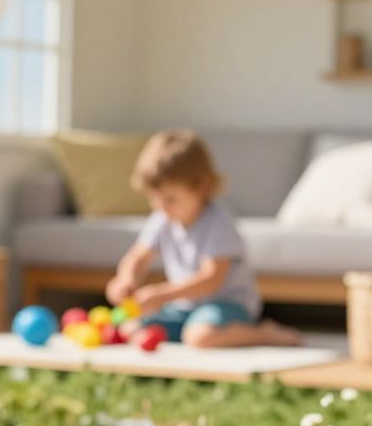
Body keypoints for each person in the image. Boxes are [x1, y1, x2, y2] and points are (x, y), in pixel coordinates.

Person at [108, 129, 300, 348]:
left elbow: (211, 280)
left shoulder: (218, 223)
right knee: (131, 329)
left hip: (226, 304)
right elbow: (139, 257)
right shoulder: (162, 219)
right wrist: (125, 279)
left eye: (171, 199)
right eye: (154, 200)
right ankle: (189, 329)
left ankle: (266, 334)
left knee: (200, 338)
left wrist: (161, 294)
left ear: (201, 187)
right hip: (184, 307)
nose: (162, 208)